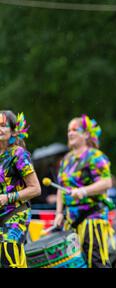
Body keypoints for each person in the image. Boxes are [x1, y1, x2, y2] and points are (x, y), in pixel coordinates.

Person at [54, 114, 115, 268]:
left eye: (75, 129)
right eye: (68, 130)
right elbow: (61, 188)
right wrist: (59, 213)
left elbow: (107, 182)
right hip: (71, 220)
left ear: (86, 134)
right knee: (74, 263)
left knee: (95, 261)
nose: (70, 133)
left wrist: (84, 191)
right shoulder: (66, 159)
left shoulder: (95, 156)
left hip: (92, 217)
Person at [0, 111, 41, 268]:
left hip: (16, 213)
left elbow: (36, 189)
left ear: (13, 131)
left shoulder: (18, 154)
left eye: (3, 126)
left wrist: (7, 197)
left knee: (9, 252)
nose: (0, 129)